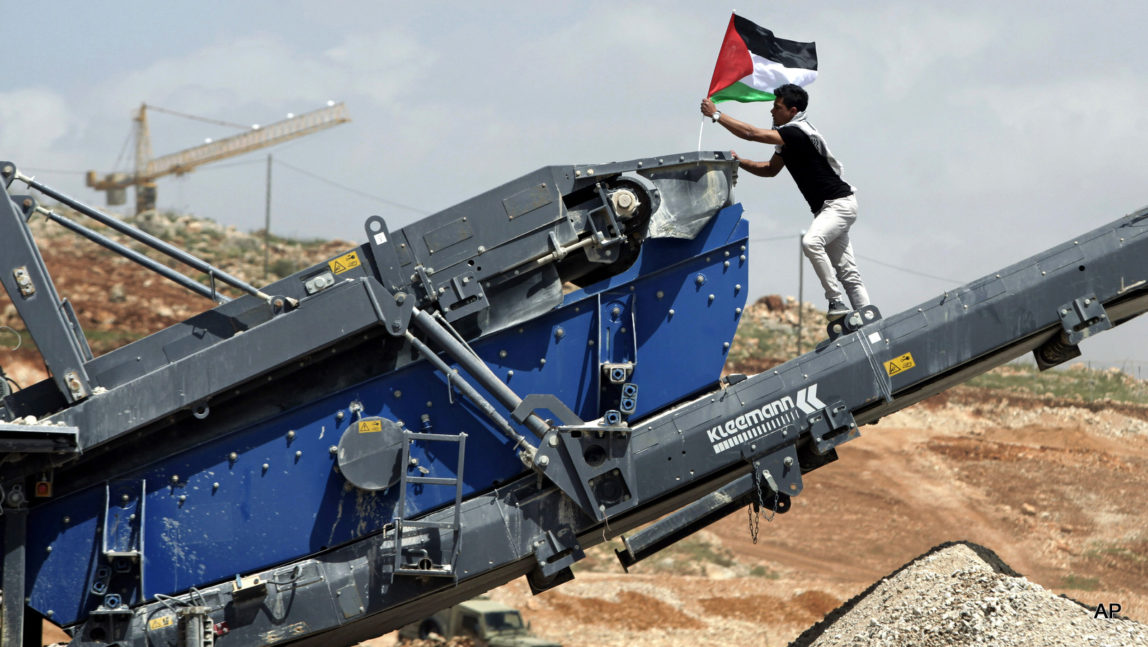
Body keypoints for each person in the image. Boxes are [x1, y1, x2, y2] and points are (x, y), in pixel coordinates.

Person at [700, 84, 871, 321]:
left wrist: (717, 115)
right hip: (829, 208)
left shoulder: (795, 132)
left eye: (777, 107)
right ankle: (869, 319)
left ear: (792, 110)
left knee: (811, 242)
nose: (771, 111)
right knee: (848, 273)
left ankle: (835, 300)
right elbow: (770, 170)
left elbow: (751, 133)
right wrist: (742, 162)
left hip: (839, 204)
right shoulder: (789, 138)